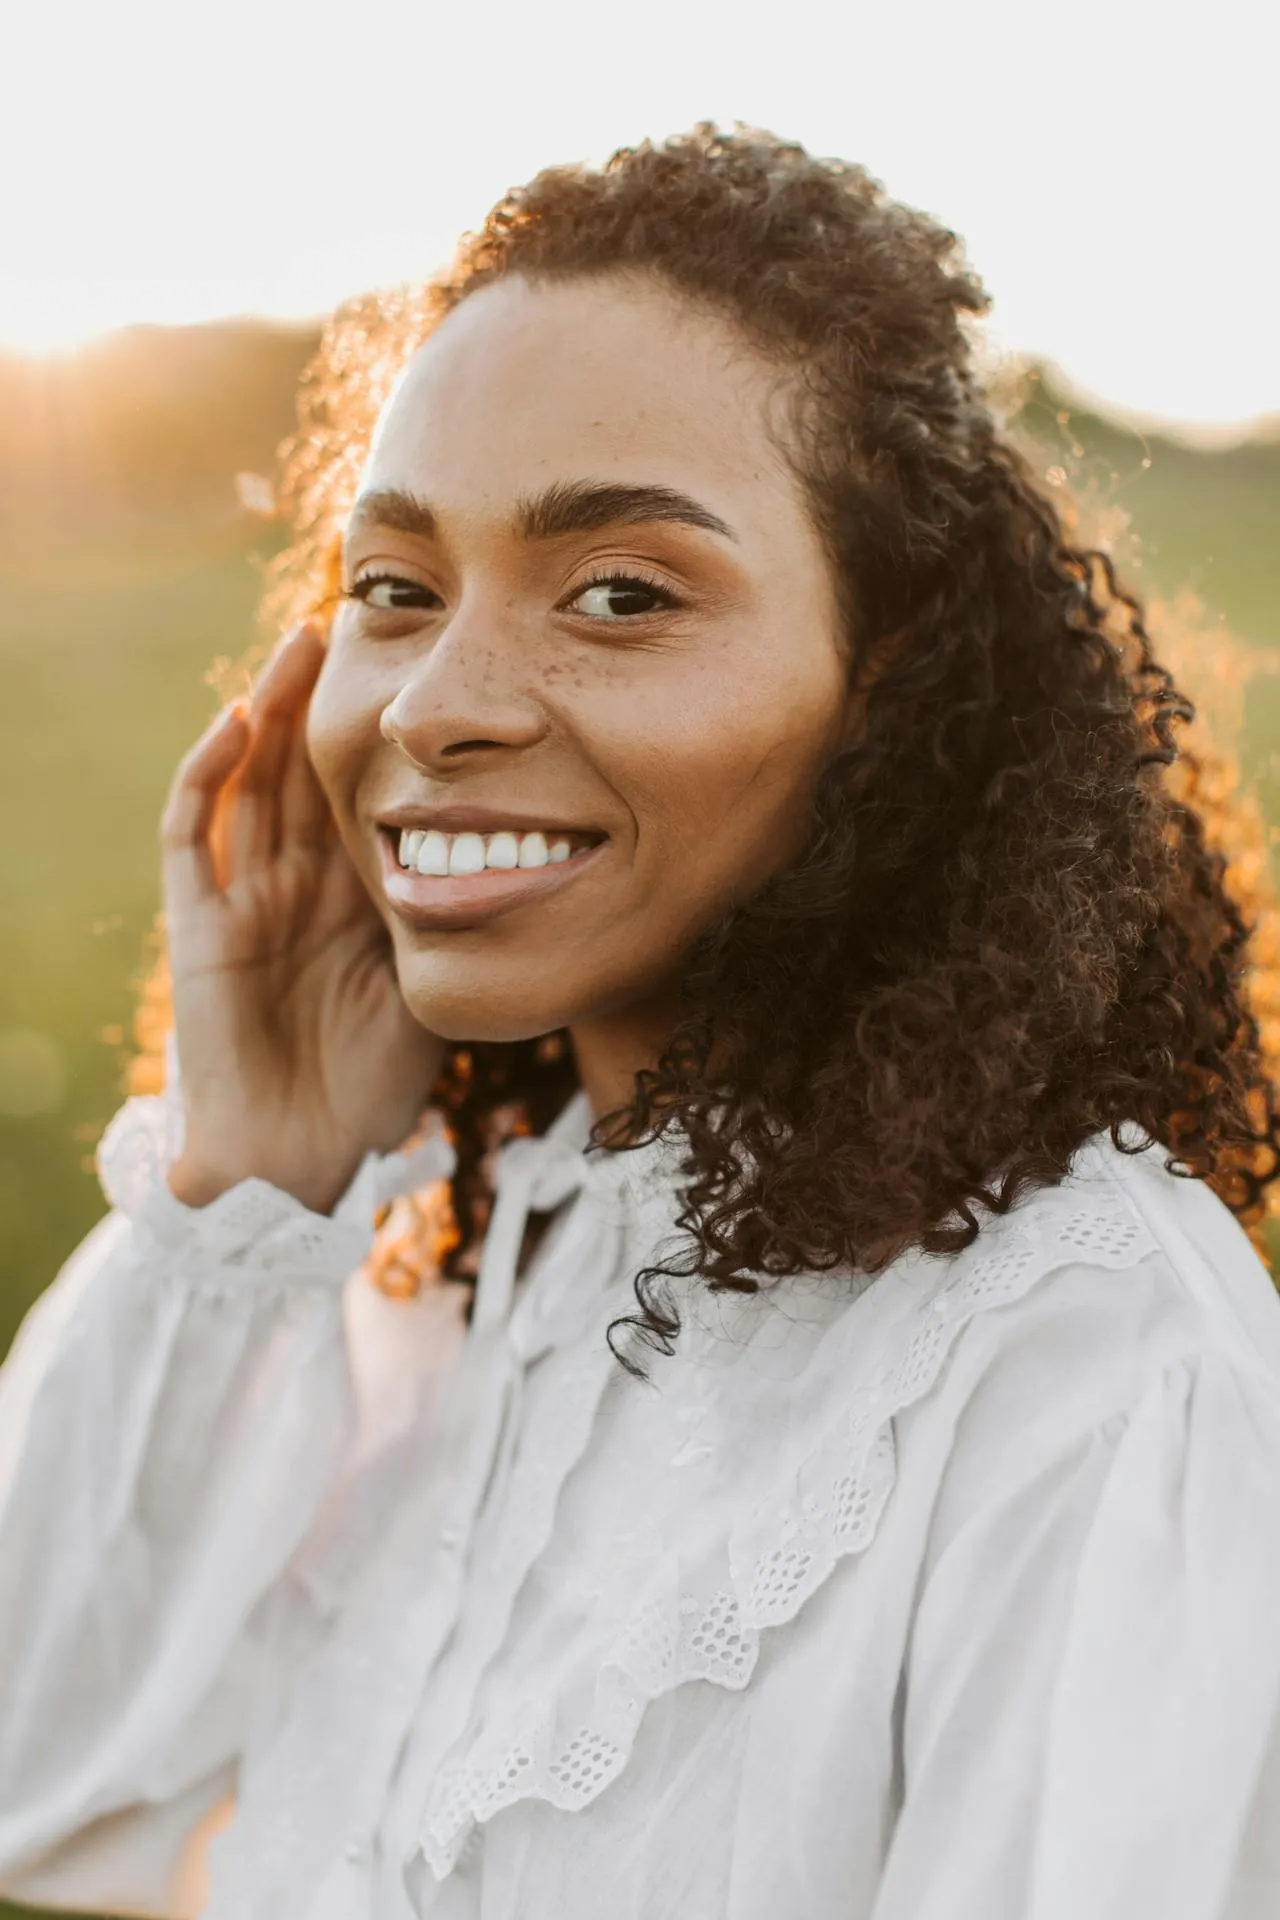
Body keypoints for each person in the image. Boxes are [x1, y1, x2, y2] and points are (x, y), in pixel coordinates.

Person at [3, 123, 1280, 1920]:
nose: (435, 705)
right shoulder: (433, 1255)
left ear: (891, 682)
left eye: (620, 593)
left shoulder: (1090, 1371)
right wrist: (248, 1183)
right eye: (395, 590)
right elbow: (42, 1775)